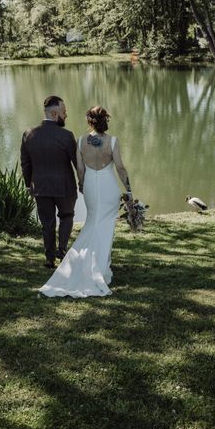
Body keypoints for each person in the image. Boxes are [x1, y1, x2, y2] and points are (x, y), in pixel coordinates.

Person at [39, 106, 132, 298]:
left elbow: (79, 170)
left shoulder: (80, 141)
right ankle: (101, 269)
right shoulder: (113, 141)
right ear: (106, 120)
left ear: (89, 121)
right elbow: (121, 168)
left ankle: (92, 266)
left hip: (90, 186)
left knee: (92, 223)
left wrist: (83, 185)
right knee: (105, 226)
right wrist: (128, 190)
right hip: (108, 188)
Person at [21, 95, 78, 269]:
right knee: (66, 217)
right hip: (65, 187)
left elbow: (25, 163)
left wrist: (28, 184)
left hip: (41, 187)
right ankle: (61, 250)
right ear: (54, 114)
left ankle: (49, 258)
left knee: (47, 223)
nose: (66, 115)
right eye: (64, 112)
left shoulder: (29, 134)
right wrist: (83, 181)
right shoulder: (67, 136)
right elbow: (77, 163)